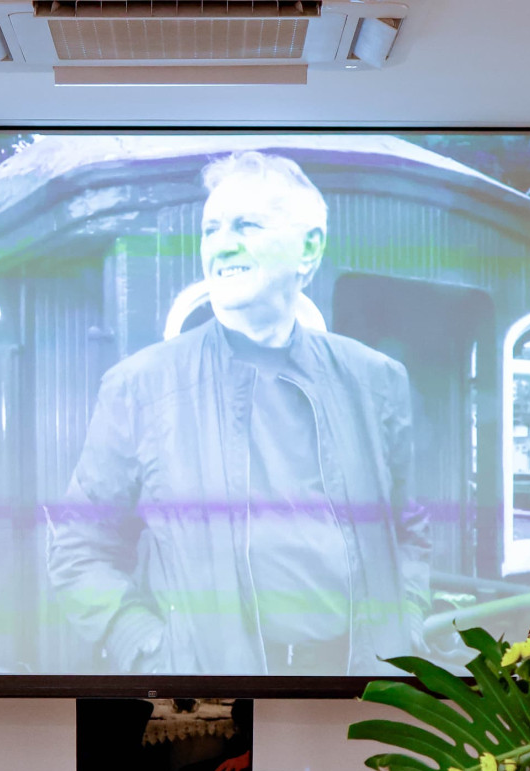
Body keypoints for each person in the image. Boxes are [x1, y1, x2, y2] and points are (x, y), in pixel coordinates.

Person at [46, 150, 430, 677]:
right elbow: (79, 545)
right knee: (216, 769)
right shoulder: (140, 386)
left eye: (246, 225)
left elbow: (409, 530)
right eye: (211, 229)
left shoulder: (376, 379)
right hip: (205, 693)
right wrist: (149, 647)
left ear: (309, 248)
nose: (221, 244)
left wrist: (403, 628)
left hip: (361, 688)